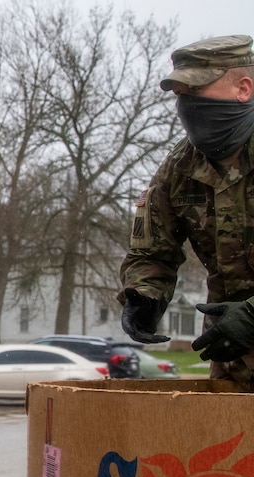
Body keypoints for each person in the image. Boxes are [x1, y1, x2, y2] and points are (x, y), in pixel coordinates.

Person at [119, 34, 254, 386]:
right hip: (233, 362)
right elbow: (152, 250)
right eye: (181, 95)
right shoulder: (180, 167)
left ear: (244, 88)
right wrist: (143, 295)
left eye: (197, 90)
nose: (186, 105)